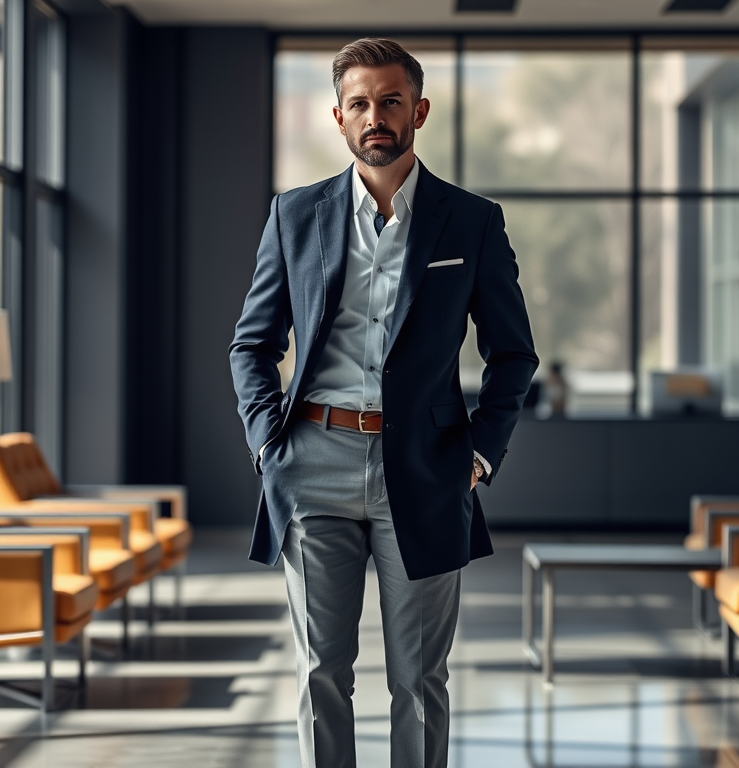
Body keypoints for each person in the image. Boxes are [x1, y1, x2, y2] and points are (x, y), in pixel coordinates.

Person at [229, 37, 538, 768]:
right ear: (338, 117)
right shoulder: (294, 215)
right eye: (360, 103)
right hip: (313, 462)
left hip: (428, 469)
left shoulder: (470, 222)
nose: (376, 116)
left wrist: (481, 455)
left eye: (391, 101)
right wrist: (270, 447)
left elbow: (513, 354)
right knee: (320, 673)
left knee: (420, 680)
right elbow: (252, 344)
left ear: (418, 111)